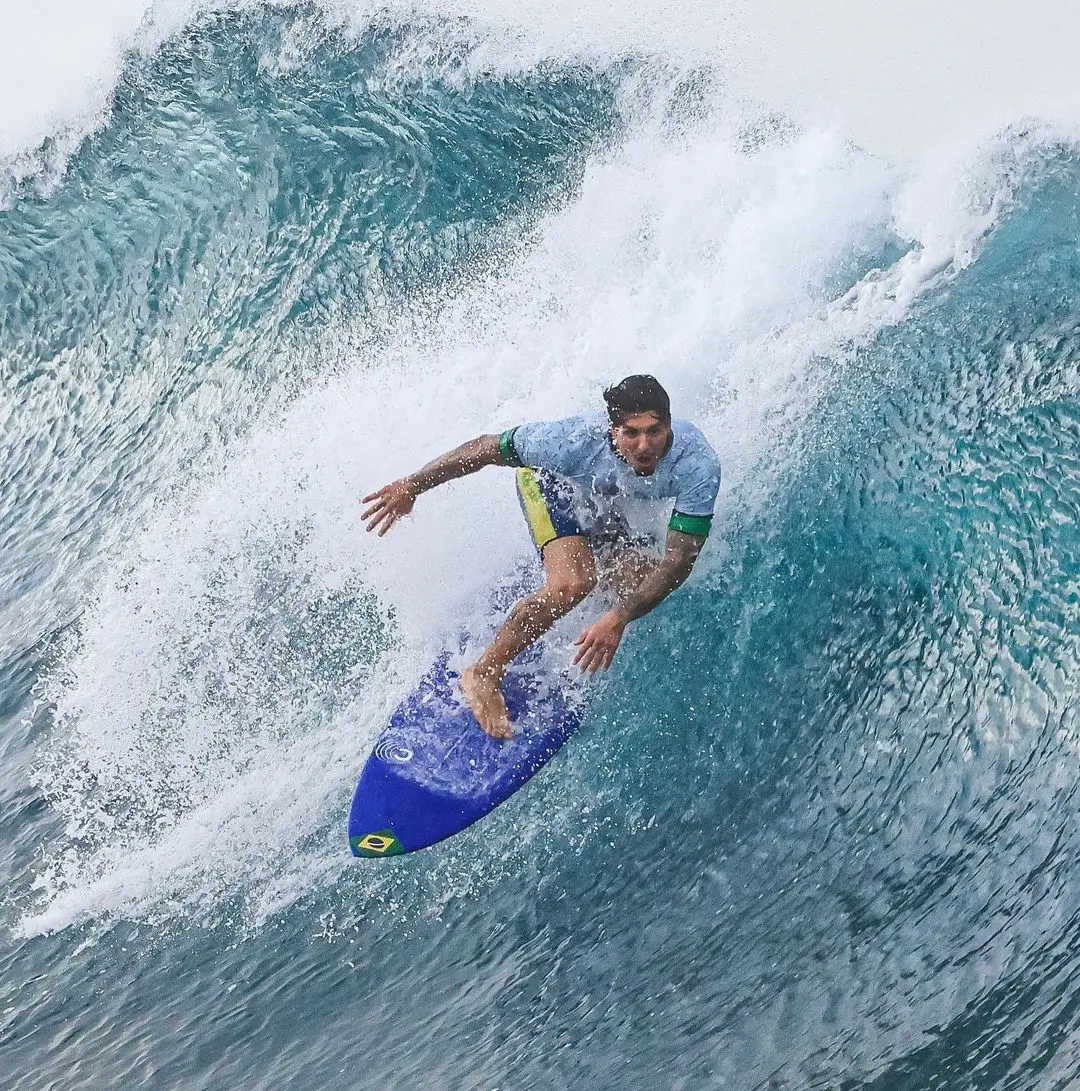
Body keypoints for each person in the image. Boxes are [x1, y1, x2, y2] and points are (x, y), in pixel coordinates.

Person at [361, 375, 721, 739]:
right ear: (613, 431)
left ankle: (574, 597)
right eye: (632, 433)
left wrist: (619, 617)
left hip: (604, 502)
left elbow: (678, 561)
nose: (645, 446)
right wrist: (413, 485)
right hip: (550, 485)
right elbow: (485, 448)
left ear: (670, 424)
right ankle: (483, 674)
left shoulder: (697, 465)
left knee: (640, 580)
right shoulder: (569, 442)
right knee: (574, 584)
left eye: (654, 431)